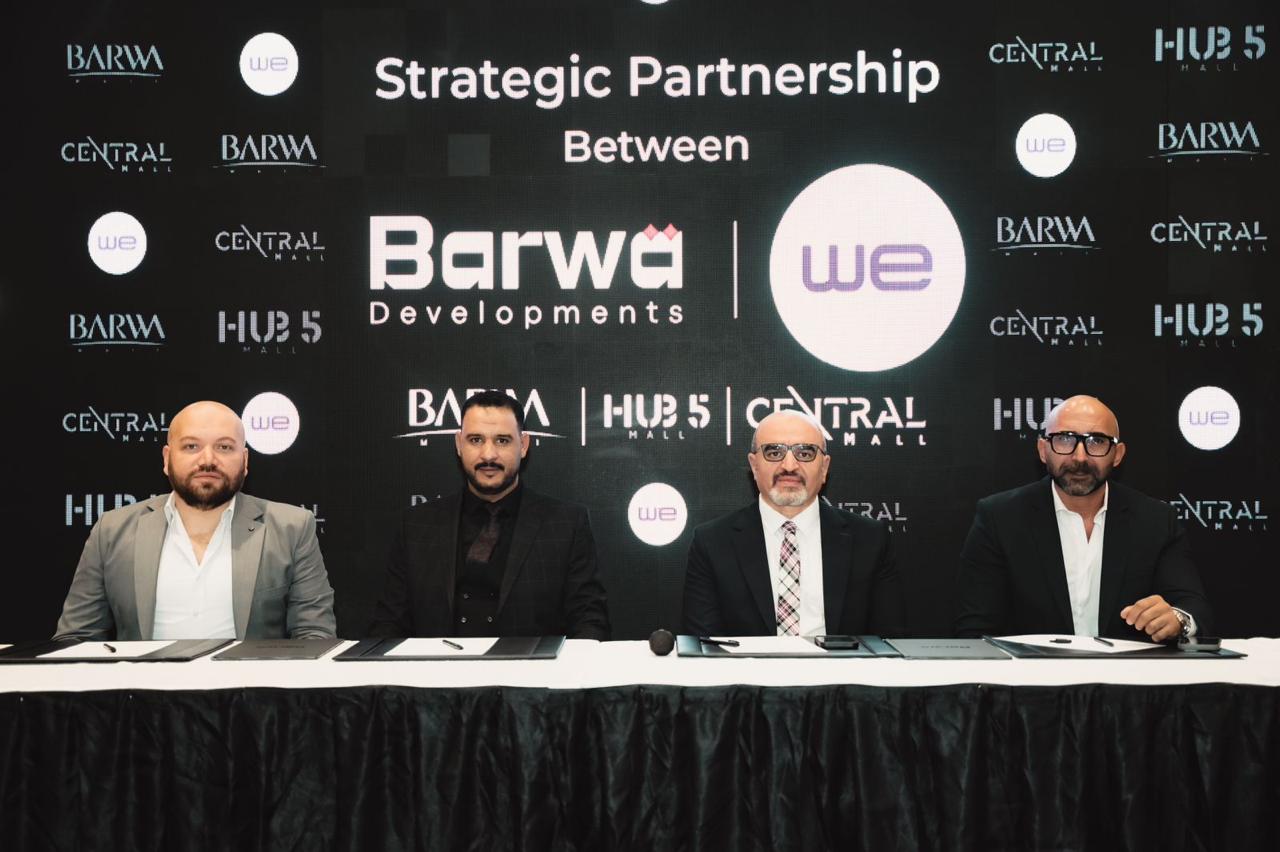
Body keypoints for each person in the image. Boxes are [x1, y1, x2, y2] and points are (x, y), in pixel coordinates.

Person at [55, 400, 336, 641]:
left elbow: (314, 636)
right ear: (167, 459)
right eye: (191, 446)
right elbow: (76, 639)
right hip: (143, 688)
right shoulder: (112, 530)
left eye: (224, 447)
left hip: (249, 689)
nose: (208, 460)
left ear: (245, 460)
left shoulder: (291, 528)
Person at [954, 395, 1212, 641]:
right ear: (1043, 450)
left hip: (1129, 671)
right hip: (1032, 671)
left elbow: (1193, 606)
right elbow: (975, 629)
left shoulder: (1156, 520)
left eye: (1096, 441)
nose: (1079, 457)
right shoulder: (999, 518)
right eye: (1065, 440)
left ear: (1118, 454)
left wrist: (1177, 619)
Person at [369, 390, 610, 639]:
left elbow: (590, 623)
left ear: (524, 445)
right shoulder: (416, 525)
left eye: (502, 441)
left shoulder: (567, 525)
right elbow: (388, 626)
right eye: (475, 440)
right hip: (440, 665)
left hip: (531, 665)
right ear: (459, 445)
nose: (488, 455)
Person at [681, 410, 906, 637]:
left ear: (824, 467)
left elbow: (889, 642)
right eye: (774, 452)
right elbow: (702, 644)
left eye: (805, 453)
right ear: (754, 465)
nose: (789, 466)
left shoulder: (870, 540)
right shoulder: (712, 543)